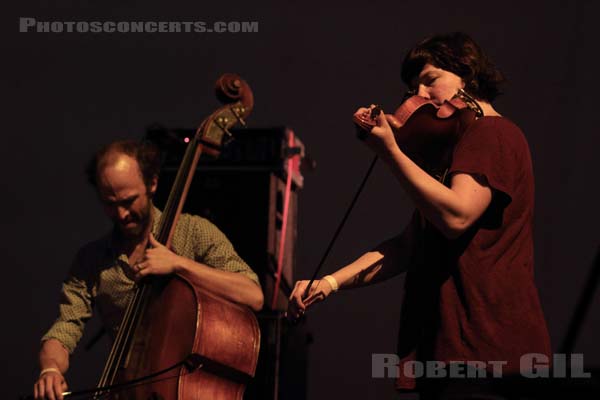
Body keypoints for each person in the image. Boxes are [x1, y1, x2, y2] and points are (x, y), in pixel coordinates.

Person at [288, 32, 552, 398]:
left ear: (466, 74)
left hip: (491, 357)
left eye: (431, 81)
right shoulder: (458, 153)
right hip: (458, 356)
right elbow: (409, 247)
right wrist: (329, 283)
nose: (421, 96)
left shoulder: (492, 133)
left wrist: (390, 153)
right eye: (415, 88)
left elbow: (457, 216)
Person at [34, 140, 264, 400]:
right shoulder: (92, 260)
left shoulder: (193, 233)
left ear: (152, 183)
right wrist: (50, 369)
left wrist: (181, 265)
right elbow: (65, 327)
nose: (121, 214)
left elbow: (252, 294)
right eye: (110, 204)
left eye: (129, 201)